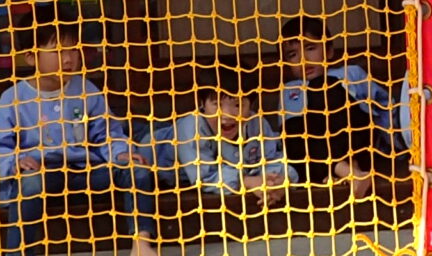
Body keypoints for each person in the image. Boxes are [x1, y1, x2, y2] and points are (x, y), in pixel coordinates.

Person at [0, 20, 174, 256]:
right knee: (29, 182)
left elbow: (108, 133)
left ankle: (142, 245)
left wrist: (120, 152)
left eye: (73, 50)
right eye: (57, 51)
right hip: (43, 177)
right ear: (31, 56)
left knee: (136, 169)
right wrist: (13, 161)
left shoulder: (86, 90)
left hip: (85, 174)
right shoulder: (13, 98)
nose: (68, 58)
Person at [272, 18, 395, 197]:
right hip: (317, 154)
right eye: (292, 55)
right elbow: (291, 136)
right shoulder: (290, 90)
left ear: (329, 51)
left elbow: (383, 104)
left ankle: (351, 167)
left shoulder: (350, 73)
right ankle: (346, 172)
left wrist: (393, 142)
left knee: (323, 86)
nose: (303, 59)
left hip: (357, 142)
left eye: (310, 48)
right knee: (294, 132)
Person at [164, 71, 295, 210]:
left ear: (251, 106)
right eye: (217, 104)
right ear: (202, 104)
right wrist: (247, 182)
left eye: (238, 105)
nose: (227, 115)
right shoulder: (191, 127)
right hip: (157, 165)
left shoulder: (257, 124)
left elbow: (274, 159)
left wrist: (278, 182)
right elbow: (204, 177)